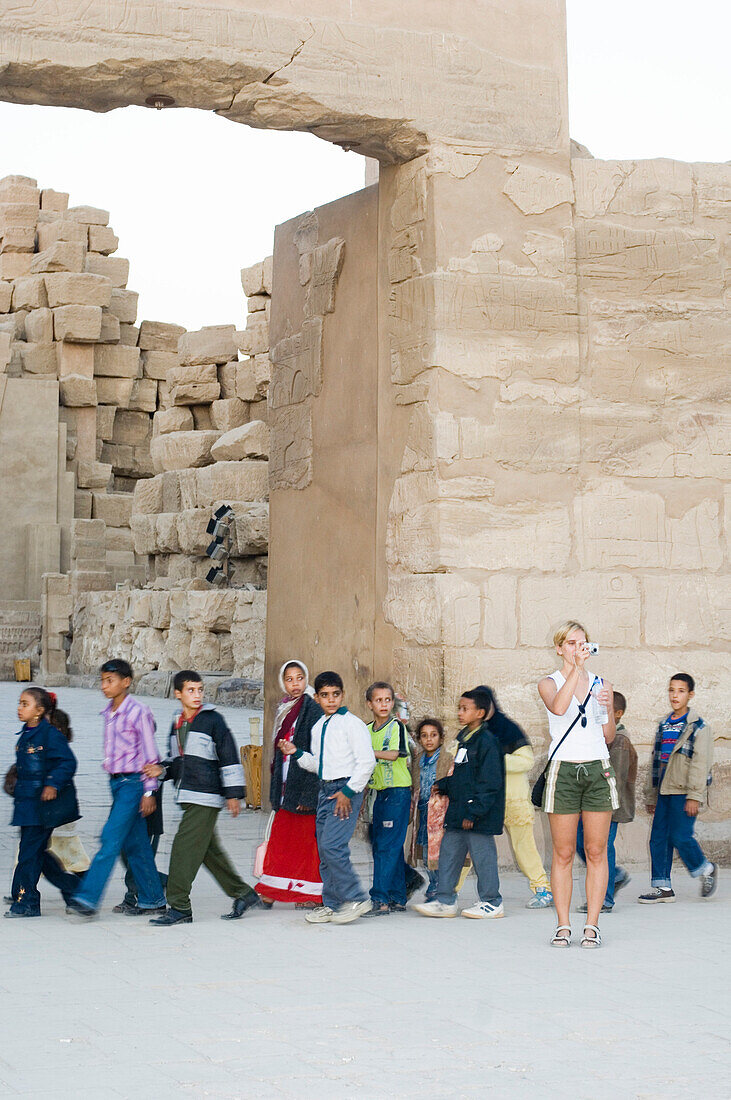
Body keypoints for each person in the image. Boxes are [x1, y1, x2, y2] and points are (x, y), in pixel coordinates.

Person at [145, 670, 258, 925]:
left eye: (200, 690)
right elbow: (178, 762)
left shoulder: (213, 720)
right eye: (190, 690)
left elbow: (229, 754)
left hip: (205, 796)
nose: (197, 695)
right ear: (178, 693)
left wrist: (233, 794)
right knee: (208, 851)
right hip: (188, 793)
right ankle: (244, 894)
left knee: (183, 850)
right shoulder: (177, 722)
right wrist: (162, 770)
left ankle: (179, 907)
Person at [538, 621, 617, 948]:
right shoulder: (549, 682)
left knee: (597, 850)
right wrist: (576, 672)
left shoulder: (602, 683)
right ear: (559, 648)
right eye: (570, 644)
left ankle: (593, 924)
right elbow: (558, 706)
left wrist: (608, 704)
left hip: (597, 768)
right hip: (564, 770)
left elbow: (608, 735)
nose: (577, 649)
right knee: (564, 851)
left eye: (582, 643)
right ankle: (563, 923)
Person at [67, 660, 166, 920]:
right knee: (136, 845)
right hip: (116, 783)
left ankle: (88, 898)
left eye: (110, 680)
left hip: (132, 784)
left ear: (126, 681)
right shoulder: (109, 713)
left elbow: (150, 754)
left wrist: (149, 792)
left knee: (110, 839)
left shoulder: (138, 712)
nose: (104, 686)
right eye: (102, 680)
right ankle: (153, 898)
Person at [279, 670, 375, 924]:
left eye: (335, 694)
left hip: (345, 791)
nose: (331, 700)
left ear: (342, 695)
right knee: (324, 849)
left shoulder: (352, 723)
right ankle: (332, 904)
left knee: (334, 846)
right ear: (317, 697)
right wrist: (295, 752)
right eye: (325, 695)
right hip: (325, 790)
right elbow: (318, 765)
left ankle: (356, 898)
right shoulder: (319, 725)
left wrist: (347, 792)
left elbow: (366, 763)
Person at [414, 688, 505, 920]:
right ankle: (445, 900)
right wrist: (444, 785)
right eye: (459, 708)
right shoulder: (465, 739)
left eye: (465, 709)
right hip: (458, 813)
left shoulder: (488, 742)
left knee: (483, 858)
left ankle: (492, 901)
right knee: (449, 855)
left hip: (477, 816)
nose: (460, 713)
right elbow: (462, 777)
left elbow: (490, 782)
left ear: (481, 713)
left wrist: (474, 812)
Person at [469, 685, 553, 910]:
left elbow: (526, 761)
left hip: (512, 800)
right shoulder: (472, 731)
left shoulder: (508, 729)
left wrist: (494, 761)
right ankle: (447, 893)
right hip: (483, 801)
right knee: (467, 845)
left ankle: (543, 889)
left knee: (524, 846)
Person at [638, 673, 718, 903]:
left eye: (681, 691)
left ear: (690, 695)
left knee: (681, 836)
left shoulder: (698, 727)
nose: (675, 695)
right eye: (672, 690)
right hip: (664, 791)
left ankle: (705, 869)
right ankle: (663, 888)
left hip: (684, 792)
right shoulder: (664, 724)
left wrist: (694, 796)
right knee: (658, 838)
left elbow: (701, 764)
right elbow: (656, 761)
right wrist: (652, 794)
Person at [5, 687, 80, 918]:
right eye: (19, 703)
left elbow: (68, 762)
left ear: (39, 711)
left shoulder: (49, 734)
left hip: (41, 807)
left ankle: (26, 902)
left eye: (25, 704)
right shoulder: (26, 733)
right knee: (36, 853)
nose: (20, 708)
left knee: (29, 853)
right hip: (26, 804)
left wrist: (52, 784)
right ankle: (75, 889)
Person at [255, 660, 323, 907]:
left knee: (306, 845)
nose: (295, 684)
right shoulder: (284, 707)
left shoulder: (312, 709)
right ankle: (272, 889)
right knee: (281, 841)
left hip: (303, 788)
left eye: (299, 678)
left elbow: (317, 754)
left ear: (306, 679)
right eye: (289, 679)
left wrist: (308, 795)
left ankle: (308, 894)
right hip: (285, 785)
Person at [576, 691, 637, 913]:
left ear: (618, 713)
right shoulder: (602, 735)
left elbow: (617, 778)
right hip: (593, 802)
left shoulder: (619, 740)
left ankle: (605, 899)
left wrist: (603, 803)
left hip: (609, 804)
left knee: (601, 849)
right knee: (581, 842)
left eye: (606, 709)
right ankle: (616, 876)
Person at [364, 681, 413, 915]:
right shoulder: (365, 729)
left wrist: (368, 753)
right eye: (378, 700)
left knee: (386, 846)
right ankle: (397, 896)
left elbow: (395, 754)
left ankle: (380, 899)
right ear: (369, 704)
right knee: (386, 846)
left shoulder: (396, 727)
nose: (383, 704)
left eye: (387, 700)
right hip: (377, 793)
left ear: (392, 703)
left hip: (397, 793)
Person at [408, 718, 454, 903]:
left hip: (441, 814)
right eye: (424, 736)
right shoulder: (418, 761)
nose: (429, 740)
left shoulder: (447, 759)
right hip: (424, 812)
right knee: (427, 852)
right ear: (419, 739)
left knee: (439, 852)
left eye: (433, 735)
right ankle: (434, 883)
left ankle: (440, 888)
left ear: (441, 738)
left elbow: (452, 783)